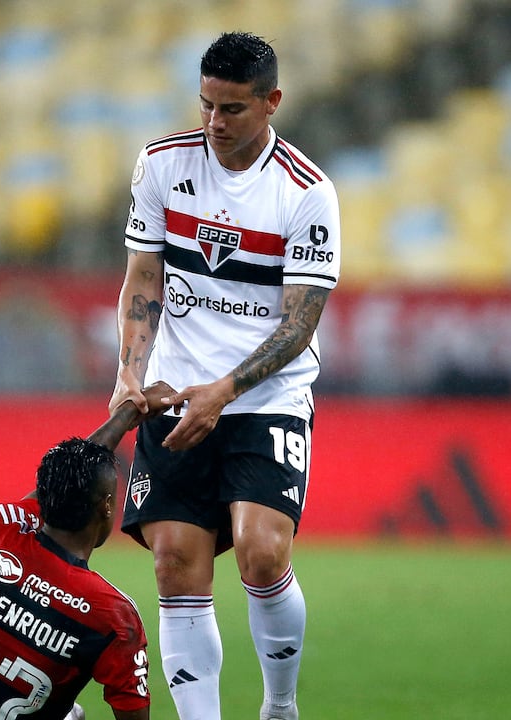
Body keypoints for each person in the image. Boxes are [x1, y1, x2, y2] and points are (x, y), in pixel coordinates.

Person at [109, 32, 341, 720]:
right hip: (177, 391)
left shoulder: (306, 193)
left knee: (262, 554)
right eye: (207, 104)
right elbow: (142, 278)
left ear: (272, 102)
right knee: (175, 562)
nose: (214, 123)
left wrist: (226, 392)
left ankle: (280, 705)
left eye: (233, 109)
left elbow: (299, 325)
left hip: (266, 396)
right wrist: (129, 374)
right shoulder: (160, 165)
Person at [0, 382, 174, 720]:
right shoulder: (114, 615)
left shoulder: (0, 529)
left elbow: (65, 477)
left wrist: (128, 413)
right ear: (108, 507)